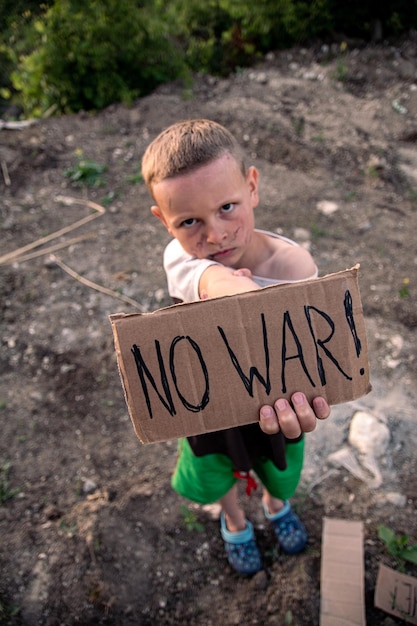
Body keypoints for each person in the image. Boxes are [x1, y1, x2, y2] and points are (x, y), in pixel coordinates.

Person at [142, 119, 331, 575]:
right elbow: (211, 279)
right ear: (164, 222)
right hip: (210, 412)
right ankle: (234, 519)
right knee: (213, 470)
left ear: (252, 186)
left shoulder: (294, 267)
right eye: (189, 221)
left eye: (228, 207)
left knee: (281, 466)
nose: (215, 234)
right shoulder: (183, 258)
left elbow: (311, 353)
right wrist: (237, 289)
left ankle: (276, 504)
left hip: (276, 406)